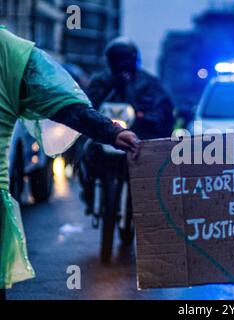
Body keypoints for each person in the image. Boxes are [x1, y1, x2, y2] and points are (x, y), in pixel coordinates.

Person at [0, 27, 139, 292]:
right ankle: (89, 191)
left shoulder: (11, 52)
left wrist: (114, 131)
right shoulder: (13, 52)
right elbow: (68, 105)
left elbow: (68, 106)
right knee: (86, 163)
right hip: (101, 148)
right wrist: (110, 131)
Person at [86, 37, 174, 140]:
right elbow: (86, 105)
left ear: (133, 59)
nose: (122, 63)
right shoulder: (100, 81)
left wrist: (144, 116)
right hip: (101, 137)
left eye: (125, 59)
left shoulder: (149, 83)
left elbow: (163, 110)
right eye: (117, 59)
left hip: (139, 137)